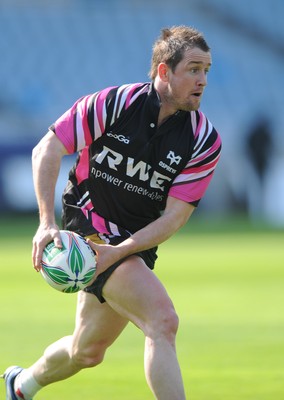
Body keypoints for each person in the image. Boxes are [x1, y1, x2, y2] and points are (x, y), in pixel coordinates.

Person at [2, 25, 221, 400]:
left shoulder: (203, 140)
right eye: (193, 69)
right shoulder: (115, 103)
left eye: (207, 71)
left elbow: (174, 217)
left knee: (86, 352)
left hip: (131, 244)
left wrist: (119, 253)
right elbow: (47, 149)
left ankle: (21, 385)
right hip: (88, 221)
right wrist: (45, 224)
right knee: (162, 320)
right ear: (164, 71)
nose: (202, 80)